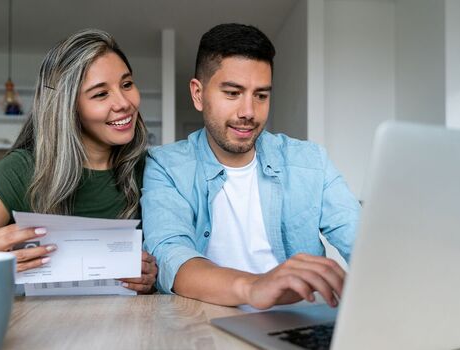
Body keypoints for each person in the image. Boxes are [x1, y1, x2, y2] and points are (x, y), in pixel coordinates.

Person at [142, 23, 360, 307]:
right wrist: (254, 287)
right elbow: (171, 255)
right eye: (232, 93)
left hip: (298, 320)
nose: (248, 112)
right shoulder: (166, 165)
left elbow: (364, 243)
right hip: (206, 322)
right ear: (198, 94)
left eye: (261, 95)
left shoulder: (310, 162)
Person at [0, 29, 157, 294]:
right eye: (100, 94)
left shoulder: (152, 170)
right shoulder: (18, 173)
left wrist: (154, 277)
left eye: (127, 84)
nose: (125, 102)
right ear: (67, 107)